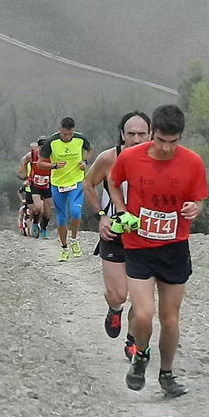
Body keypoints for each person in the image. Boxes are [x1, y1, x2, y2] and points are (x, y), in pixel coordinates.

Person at [108, 104, 208, 397]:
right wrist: (122, 211)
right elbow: (114, 183)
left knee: (169, 318)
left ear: (180, 138)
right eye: (161, 140)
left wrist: (194, 208)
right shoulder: (130, 157)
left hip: (175, 247)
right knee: (143, 314)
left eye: (172, 142)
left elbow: (198, 200)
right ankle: (140, 356)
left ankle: (167, 374)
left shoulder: (192, 163)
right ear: (152, 133)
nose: (166, 148)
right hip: (139, 246)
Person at [83, 111, 151, 361]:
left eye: (141, 133)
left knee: (142, 298)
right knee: (119, 294)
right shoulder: (109, 158)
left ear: (151, 134)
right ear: (122, 134)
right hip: (115, 232)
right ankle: (114, 308)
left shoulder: (161, 160)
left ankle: (133, 340)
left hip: (146, 237)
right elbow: (88, 184)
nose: (136, 139)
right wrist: (101, 215)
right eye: (130, 134)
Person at [38, 117, 93, 261]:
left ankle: (74, 239)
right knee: (61, 219)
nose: (67, 137)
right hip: (58, 184)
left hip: (76, 182)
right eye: (64, 134)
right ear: (59, 130)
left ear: (73, 131)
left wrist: (85, 162)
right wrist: (54, 166)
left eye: (69, 134)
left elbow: (90, 149)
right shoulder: (51, 142)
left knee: (75, 212)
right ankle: (64, 247)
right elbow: (40, 163)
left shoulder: (80, 138)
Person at [17, 136, 53, 239]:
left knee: (47, 211)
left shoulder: (52, 155)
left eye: (45, 148)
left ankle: (44, 229)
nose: (43, 150)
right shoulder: (32, 155)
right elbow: (23, 162)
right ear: (38, 147)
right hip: (35, 184)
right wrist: (23, 174)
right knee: (37, 207)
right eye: (41, 148)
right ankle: (35, 223)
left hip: (47, 184)